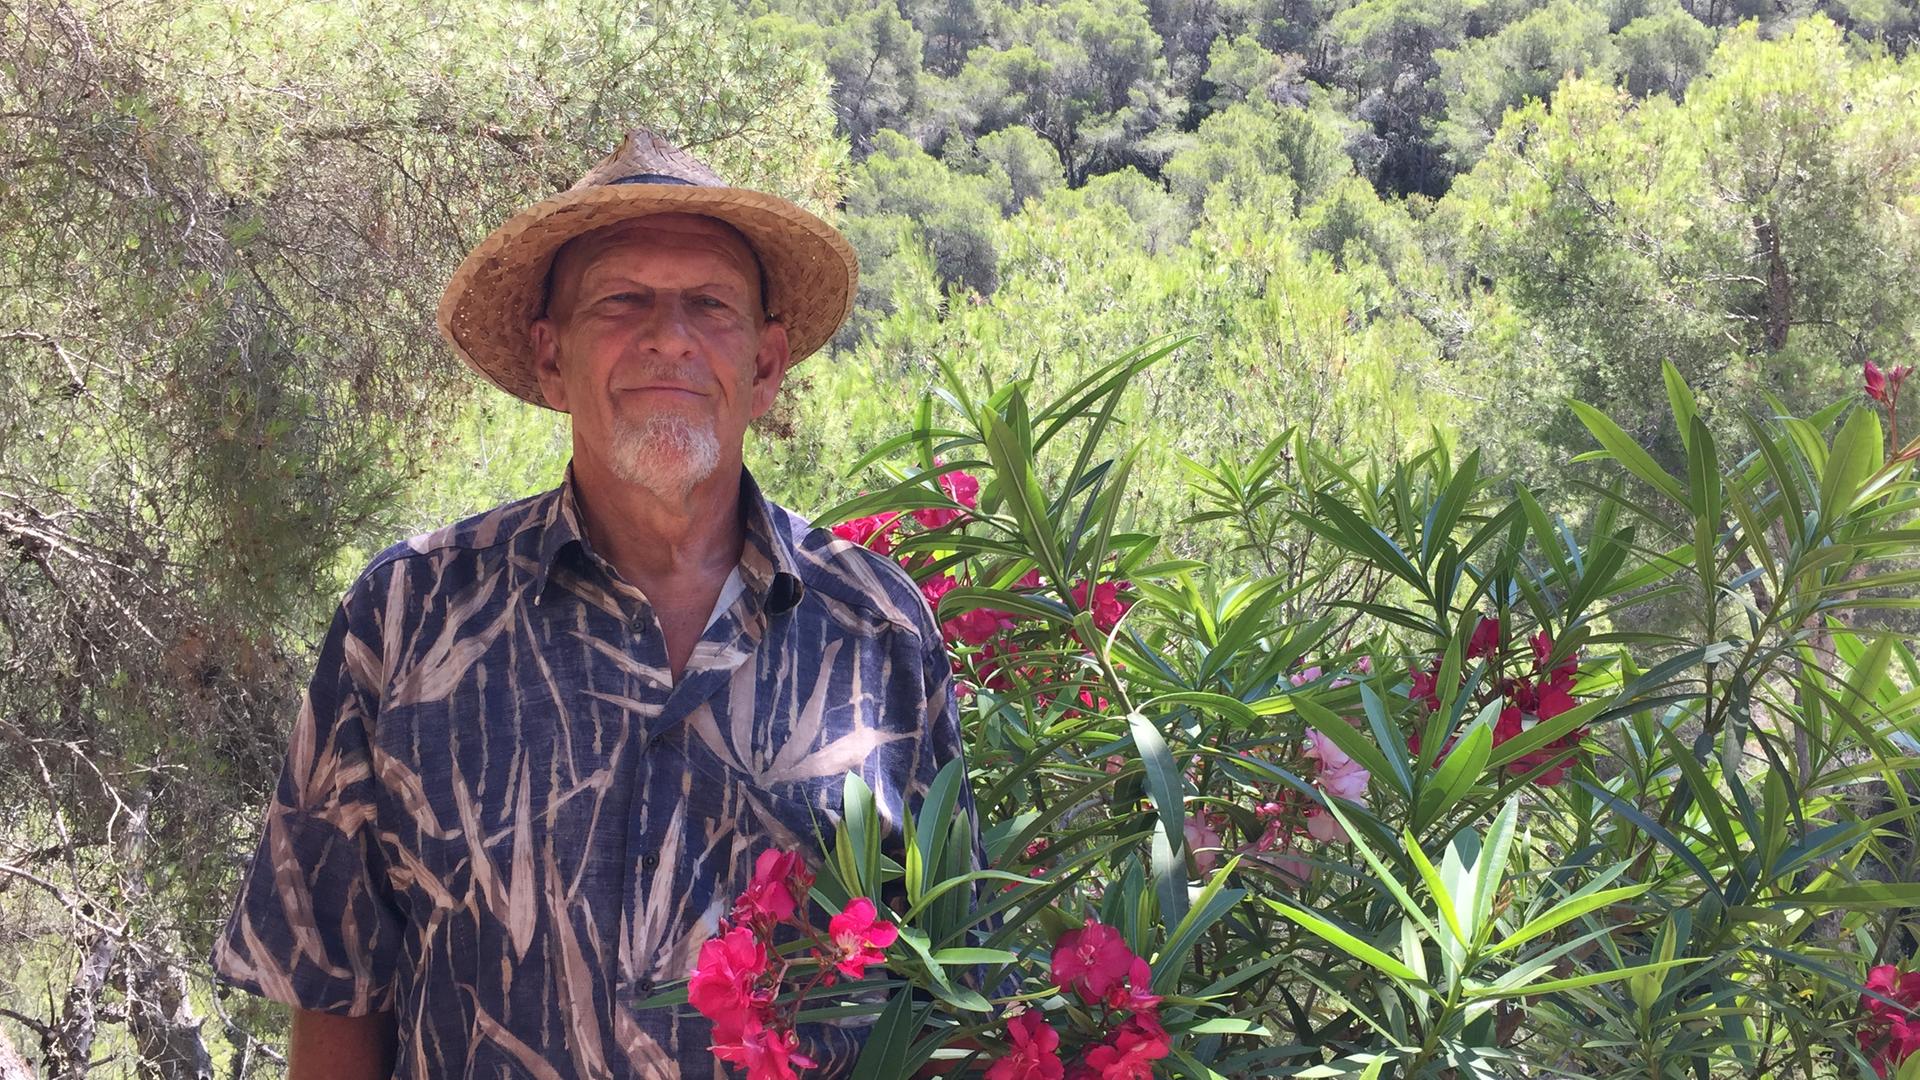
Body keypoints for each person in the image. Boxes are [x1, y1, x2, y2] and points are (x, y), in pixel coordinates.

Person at [211, 129, 978, 1079]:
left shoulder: (879, 630)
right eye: (622, 301)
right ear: (549, 357)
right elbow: (335, 997)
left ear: (767, 364)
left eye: (710, 304)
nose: (669, 335)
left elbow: (945, 991)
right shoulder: (406, 619)